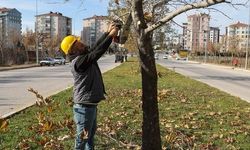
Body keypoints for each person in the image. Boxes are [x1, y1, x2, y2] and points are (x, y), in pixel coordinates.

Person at [60, 22, 119, 150]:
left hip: (89, 106)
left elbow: (94, 48)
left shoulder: (83, 57)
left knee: (89, 138)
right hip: (84, 108)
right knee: (81, 140)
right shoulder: (79, 62)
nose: (82, 43)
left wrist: (107, 33)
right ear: (73, 50)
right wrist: (110, 37)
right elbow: (96, 53)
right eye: (78, 43)